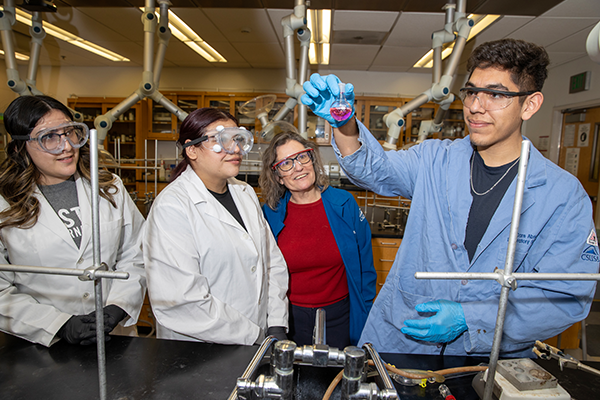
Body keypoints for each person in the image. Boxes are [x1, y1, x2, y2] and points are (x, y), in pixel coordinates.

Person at [300, 38, 599, 357]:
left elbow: (565, 296)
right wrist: (345, 123)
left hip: (486, 360)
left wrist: (471, 319)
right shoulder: (433, 159)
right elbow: (376, 170)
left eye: (496, 94)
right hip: (402, 343)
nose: (476, 106)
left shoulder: (563, 196)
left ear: (530, 104)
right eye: (472, 91)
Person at [0, 95, 146, 347]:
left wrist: (118, 306)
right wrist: (59, 324)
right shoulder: (5, 203)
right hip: (41, 346)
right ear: (19, 148)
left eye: (71, 133)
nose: (67, 146)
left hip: (114, 338)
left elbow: (137, 252)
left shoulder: (108, 187)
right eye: (49, 137)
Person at [143, 107, 288, 345]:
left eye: (238, 139)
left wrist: (276, 323)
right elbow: (183, 301)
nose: (236, 149)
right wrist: (255, 336)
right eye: (222, 140)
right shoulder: (172, 207)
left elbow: (271, 263)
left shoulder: (245, 192)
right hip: (201, 350)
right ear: (192, 150)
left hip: (257, 339)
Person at [260, 131, 376, 348]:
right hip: (289, 319)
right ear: (277, 176)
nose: (298, 167)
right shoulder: (270, 214)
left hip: (341, 316)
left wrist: (367, 313)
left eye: (302, 157)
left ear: (312, 160)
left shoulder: (344, 203)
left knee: (338, 379)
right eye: (286, 163)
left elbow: (365, 268)